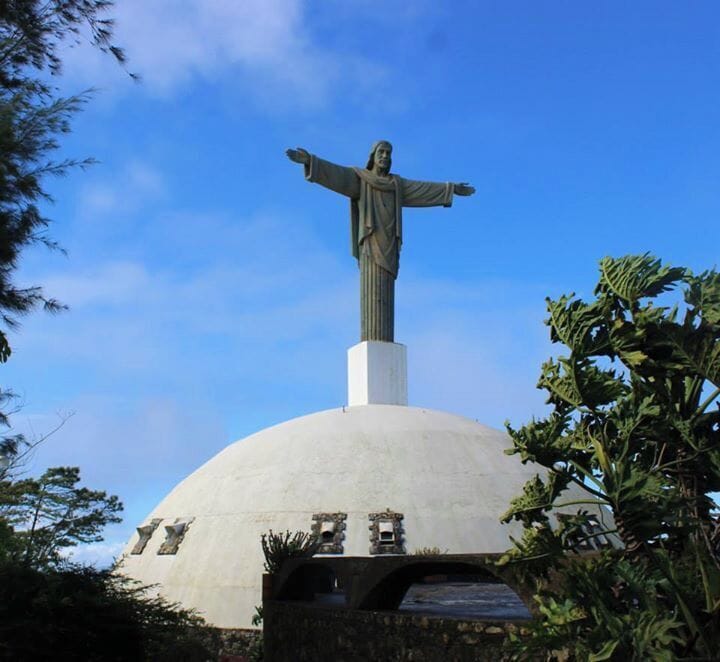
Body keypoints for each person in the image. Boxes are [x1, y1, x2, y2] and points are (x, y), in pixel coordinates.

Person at [286, 140, 475, 342]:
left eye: (388, 153)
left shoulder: (397, 185)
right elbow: (336, 175)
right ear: (373, 156)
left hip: (390, 246)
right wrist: (311, 162)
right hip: (369, 244)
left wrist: (450, 189)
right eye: (381, 152)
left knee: (386, 296)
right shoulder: (360, 179)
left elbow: (422, 190)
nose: (385, 156)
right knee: (372, 293)